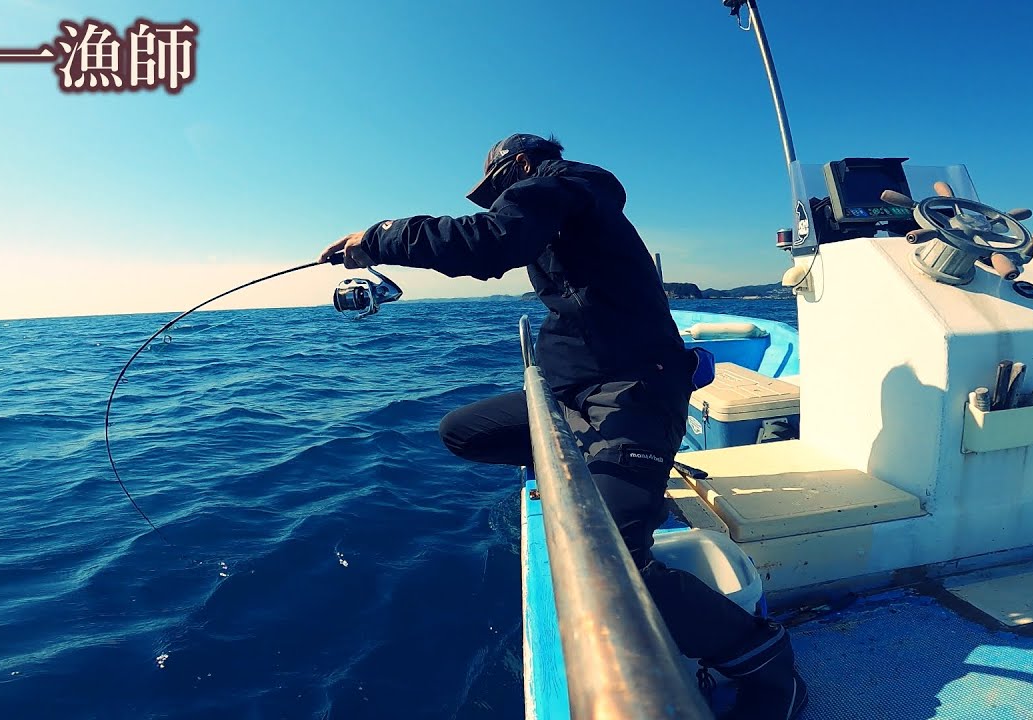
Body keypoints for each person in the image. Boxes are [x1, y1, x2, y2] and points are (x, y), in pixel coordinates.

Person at [319, 134, 807, 719]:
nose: (500, 201)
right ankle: (603, 471)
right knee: (462, 431)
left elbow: (489, 243)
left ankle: (767, 663)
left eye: (500, 189)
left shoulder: (559, 186)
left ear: (522, 166)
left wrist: (378, 238)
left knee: (614, 562)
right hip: (570, 393)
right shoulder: (566, 209)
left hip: (635, 392)